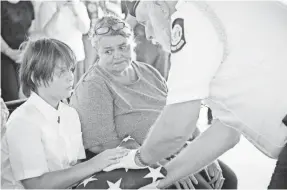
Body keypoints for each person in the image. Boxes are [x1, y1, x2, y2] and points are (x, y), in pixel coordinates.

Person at [105, 0, 287, 189]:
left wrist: (137, 161)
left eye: (145, 22)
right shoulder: (214, 11)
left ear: (159, 5)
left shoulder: (192, 15)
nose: (149, 34)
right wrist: (158, 181)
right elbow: (226, 132)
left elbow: (176, 128)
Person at [70, 15, 237, 189]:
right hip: (139, 160)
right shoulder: (93, 85)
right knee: (202, 187)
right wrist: (163, 166)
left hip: (176, 147)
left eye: (122, 47)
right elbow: (104, 146)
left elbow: (180, 113)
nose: (117, 56)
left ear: (132, 44)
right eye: (108, 51)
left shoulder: (148, 71)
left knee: (228, 179)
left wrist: (206, 153)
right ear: (97, 51)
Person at [1, 38, 128, 189]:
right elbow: (35, 185)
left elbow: (76, 167)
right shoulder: (23, 121)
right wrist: (95, 163)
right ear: (37, 77)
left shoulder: (70, 114)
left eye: (71, 69)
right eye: (61, 71)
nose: (70, 77)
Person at [38, 0, 90, 85]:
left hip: (77, 56)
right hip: (56, 58)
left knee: (78, 90)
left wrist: (75, 11)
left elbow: (85, 29)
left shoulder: (79, 5)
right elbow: (47, 32)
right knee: (59, 90)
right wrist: (58, 12)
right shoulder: (47, 5)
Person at [1, 0, 35, 101]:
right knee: (12, 96)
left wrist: (27, 49)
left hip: (24, 55)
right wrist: (9, 52)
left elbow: (30, 31)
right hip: (4, 56)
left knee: (28, 94)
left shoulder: (28, 3)